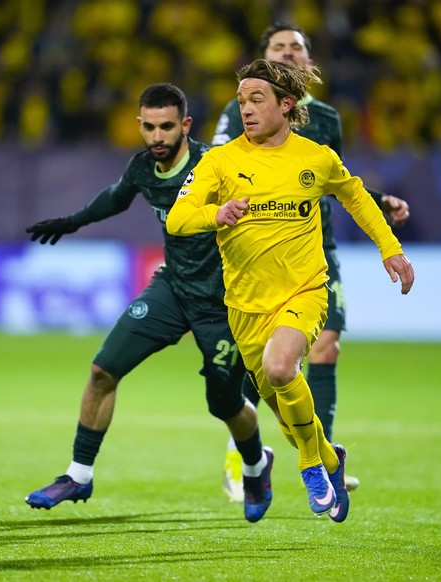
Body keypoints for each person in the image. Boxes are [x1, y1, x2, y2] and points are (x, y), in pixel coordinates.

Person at [166, 59, 415, 522]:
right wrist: (214, 215)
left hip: (304, 291)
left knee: (281, 368)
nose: (246, 109)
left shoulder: (316, 158)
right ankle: (331, 459)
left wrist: (390, 249)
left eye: (256, 99)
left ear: (286, 104)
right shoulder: (219, 161)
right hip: (245, 306)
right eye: (242, 101)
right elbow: (178, 219)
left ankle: (310, 467)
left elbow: (356, 196)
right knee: (286, 413)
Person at [23, 83, 275, 523]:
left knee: (224, 404)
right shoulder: (142, 168)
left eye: (167, 127)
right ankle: (79, 474)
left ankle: (255, 466)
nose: (157, 137)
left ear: (186, 125)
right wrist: (72, 222)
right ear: (139, 125)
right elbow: (117, 197)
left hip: (224, 304)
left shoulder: (216, 165)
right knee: (102, 371)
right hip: (173, 289)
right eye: (150, 127)